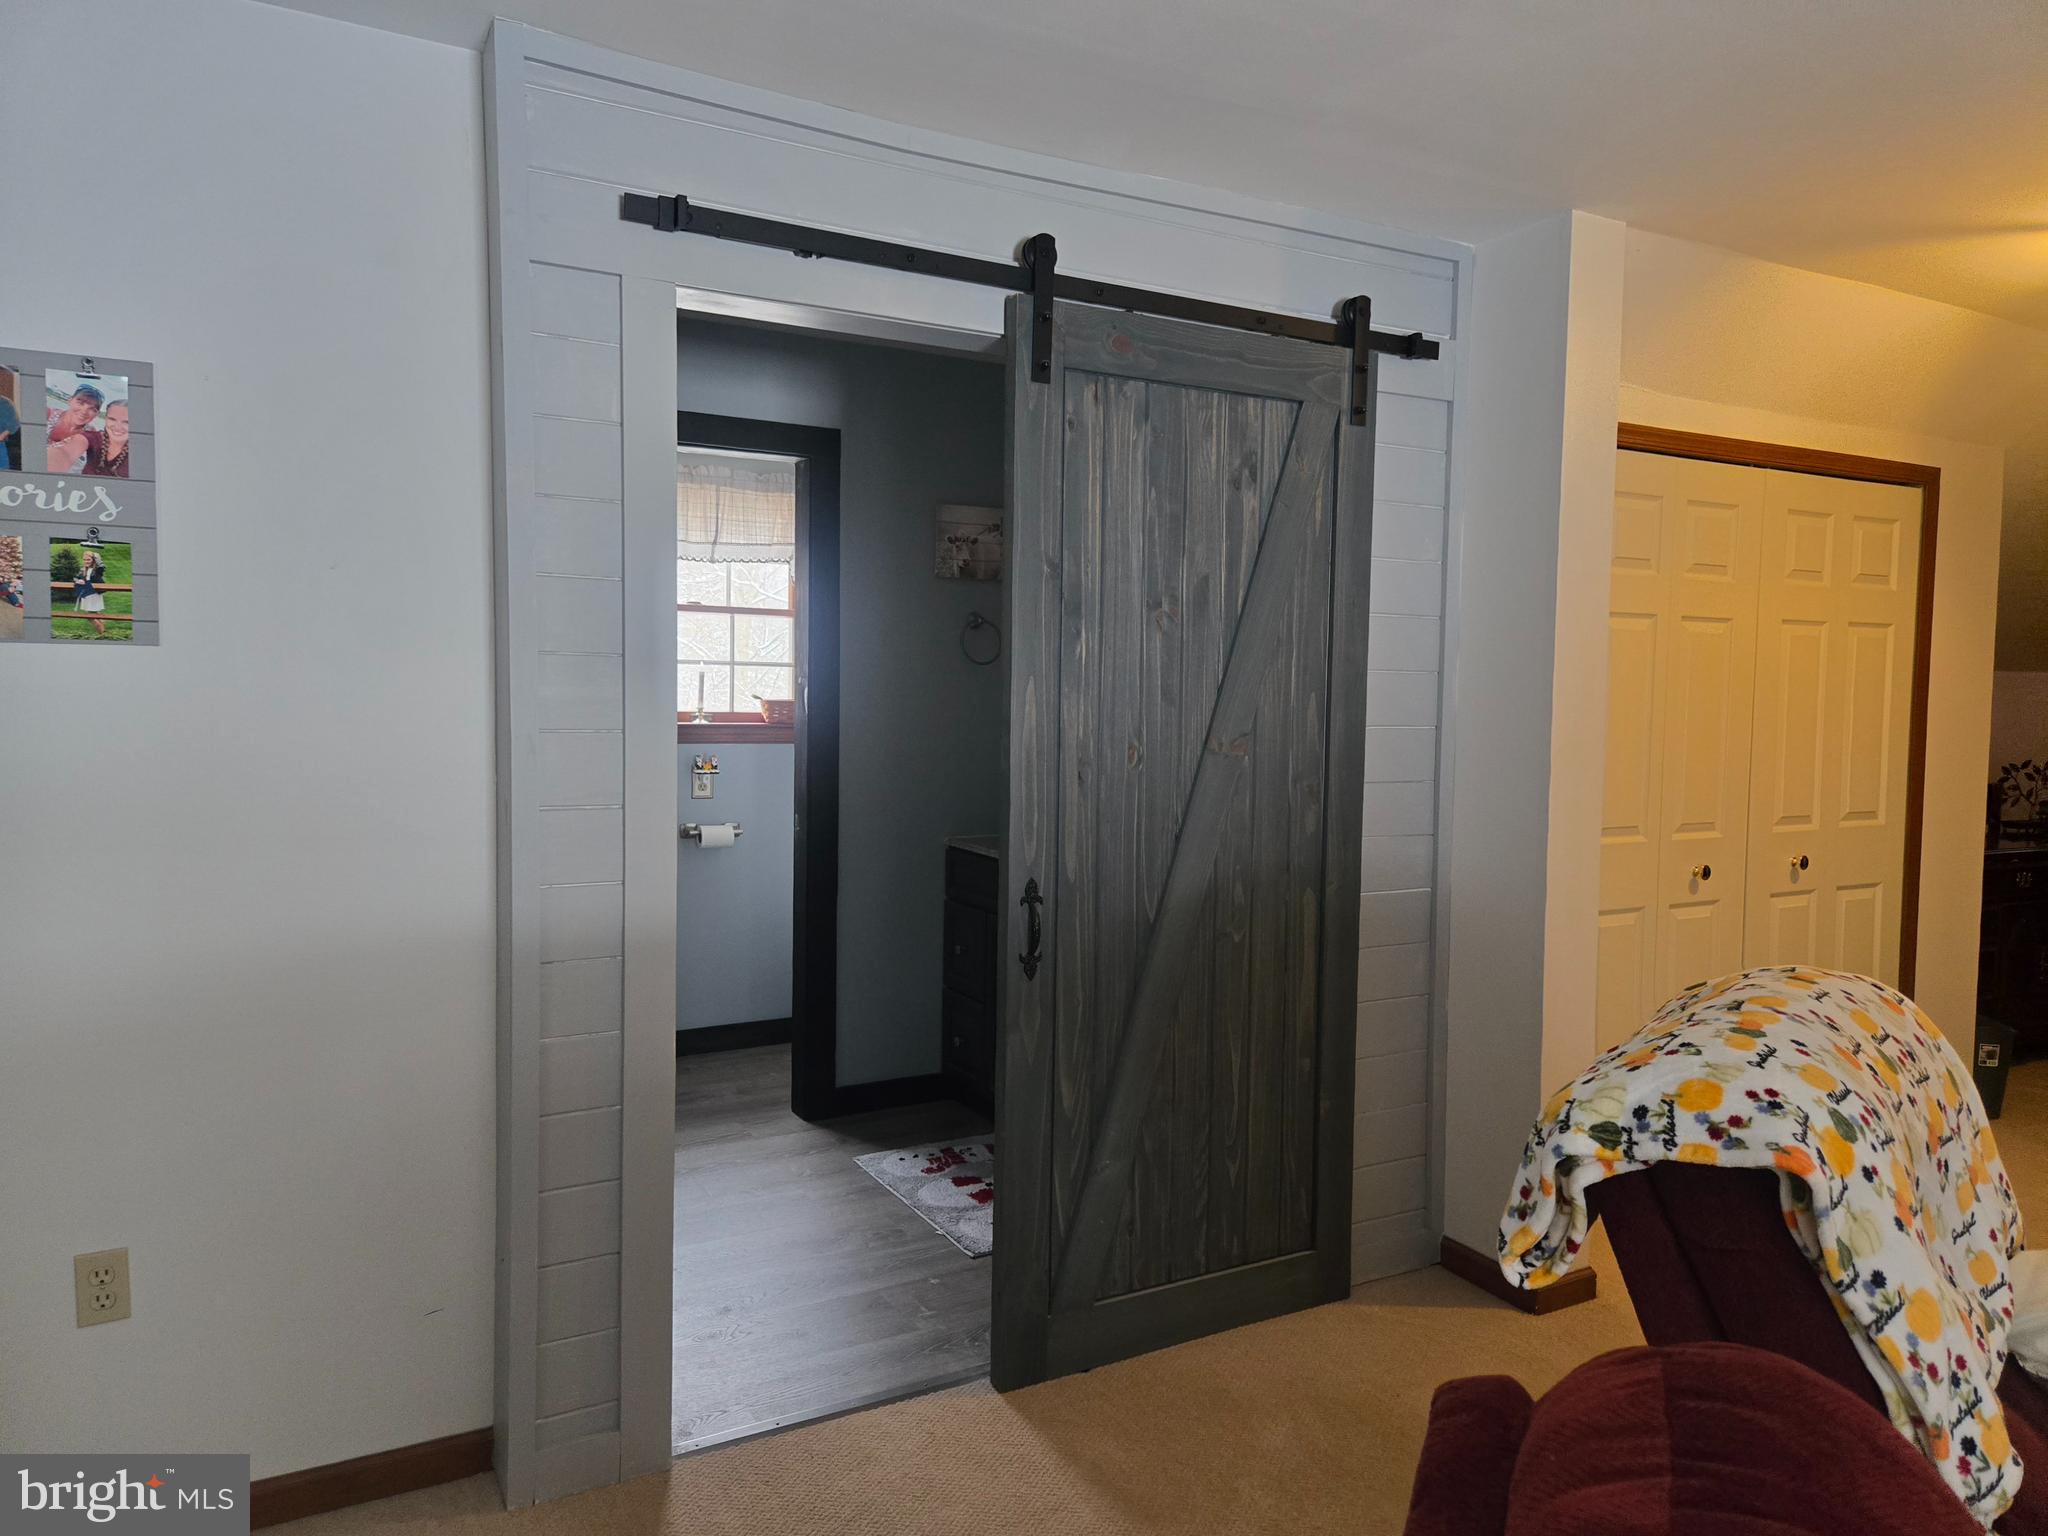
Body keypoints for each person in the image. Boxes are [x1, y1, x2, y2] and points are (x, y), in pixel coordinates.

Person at [45, 382, 106, 474]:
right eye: (80, 403)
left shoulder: (92, 435)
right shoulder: (47, 414)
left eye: (92, 409)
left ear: (96, 414)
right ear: (70, 401)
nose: (84, 411)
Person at [83, 399, 131, 478]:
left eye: (127, 422)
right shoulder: (93, 438)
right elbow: (65, 451)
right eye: (112, 419)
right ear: (105, 418)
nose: (117, 427)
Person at [73, 550, 108, 637]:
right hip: (87, 594)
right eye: (84, 560)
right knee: (96, 613)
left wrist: (95, 556)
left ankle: (101, 633)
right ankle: (103, 629)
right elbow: (75, 578)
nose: (86, 562)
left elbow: (101, 565)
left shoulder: (97, 569)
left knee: (89, 616)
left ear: (93, 560)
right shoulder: (83, 569)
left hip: (94, 594)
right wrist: (79, 580)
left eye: (88, 559)